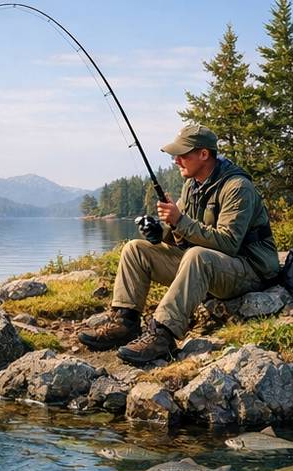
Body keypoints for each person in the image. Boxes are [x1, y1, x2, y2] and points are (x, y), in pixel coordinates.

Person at [78, 123, 280, 365]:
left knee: (196, 256)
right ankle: (125, 323)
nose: (176, 161)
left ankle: (162, 334)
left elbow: (228, 244)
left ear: (204, 154)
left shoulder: (237, 188)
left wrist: (179, 220)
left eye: (182, 154)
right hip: (209, 268)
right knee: (135, 249)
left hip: (249, 270)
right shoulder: (192, 186)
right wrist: (160, 231)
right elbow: (181, 232)